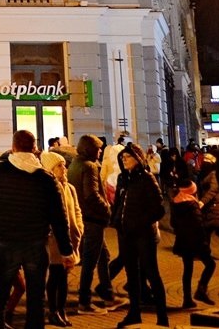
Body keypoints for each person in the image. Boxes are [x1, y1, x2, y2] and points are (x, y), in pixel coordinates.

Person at [0, 129, 76, 329]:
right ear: (34, 148)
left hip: (5, 244)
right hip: (36, 245)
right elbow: (59, 218)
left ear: (13, 147)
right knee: (36, 301)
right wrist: (67, 251)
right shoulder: (46, 179)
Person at [112, 142, 168, 327]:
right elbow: (119, 203)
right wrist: (117, 220)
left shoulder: (147, 178)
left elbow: (159, 209)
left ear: (137, 158)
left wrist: (141, 222)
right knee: (132, 275)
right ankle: (134, 312)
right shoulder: (123, 179)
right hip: (125, 234)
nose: (124, 159)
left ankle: (162, 317)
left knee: (152, 273)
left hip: (143, 235)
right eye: (122, 157)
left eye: (127, 157)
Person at [67, 134, 123, 314]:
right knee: (90, 262)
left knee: (103, 256)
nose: (100, 152)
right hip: (92, 220)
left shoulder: (75, 164)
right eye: (98, 148)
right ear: (89, 149)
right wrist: (107, 210)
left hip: (84, 218)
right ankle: (85, 302)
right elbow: (91, 195)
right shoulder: (89, 166)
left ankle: (107, 294)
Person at [42, 151, 82, 327]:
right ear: (51, 169)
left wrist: (79, 228)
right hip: (54, 240)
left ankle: (61, 309)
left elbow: (77, 210)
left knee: (64, 276)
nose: (64, 168)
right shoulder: (47, 188)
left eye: (64, 165)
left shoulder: (69, 187)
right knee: (56, 274)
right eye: (60, 166)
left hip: (71, 238)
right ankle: (53, 310)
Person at [169, 179, 214, 309]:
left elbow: (173, 223)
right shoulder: (192, 204)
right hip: (195, 241)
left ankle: (187, 299)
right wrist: (204, 244)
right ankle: (201, 290)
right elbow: (198, 225)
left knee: (187, 270)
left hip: (183, 240)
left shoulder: (175, 202)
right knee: (211, 264)